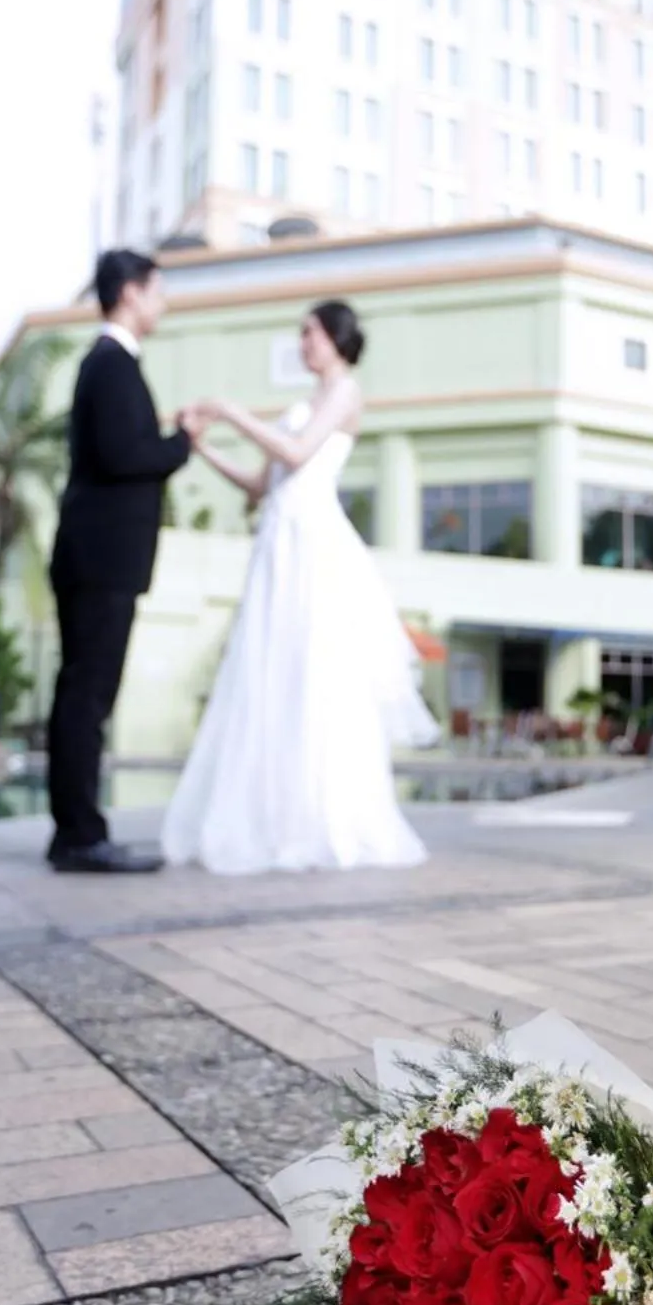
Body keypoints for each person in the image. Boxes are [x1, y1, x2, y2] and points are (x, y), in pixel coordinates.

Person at [162, 299, 438, 874]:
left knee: (317, 675)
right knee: (268, 674)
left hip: (313, 545)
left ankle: (320, 820)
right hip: (278, 544)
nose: (303, 342)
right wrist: (202, 445)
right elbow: (260, 483)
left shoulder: (345, 392)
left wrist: (229, 411)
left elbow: (296, 451)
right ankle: (269, 819)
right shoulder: (307, 402)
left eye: (311, 332)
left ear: (336, 338)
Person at [47, 248, 196, 873]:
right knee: (87, 698)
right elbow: (123, 456)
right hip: (101, 557)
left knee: (83, 694)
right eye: (157, 290)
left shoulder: (110, 364)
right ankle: (81, 835)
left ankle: (76, 831)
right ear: (131, 292)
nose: (163, 303)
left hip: (98, 557)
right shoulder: (111, 363)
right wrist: (181, 442)